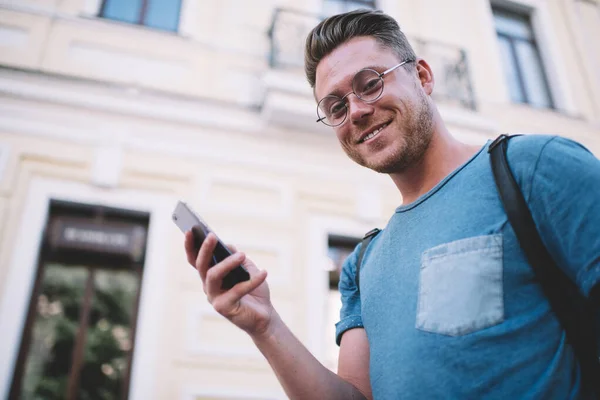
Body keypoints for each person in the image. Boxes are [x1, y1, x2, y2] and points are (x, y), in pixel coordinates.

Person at [184, 9, 600, 399]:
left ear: (422, 76)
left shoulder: (535, 167)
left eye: (370, 83)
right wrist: (266, 325)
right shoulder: (362, 265)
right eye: (336, 106)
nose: (358, 111)